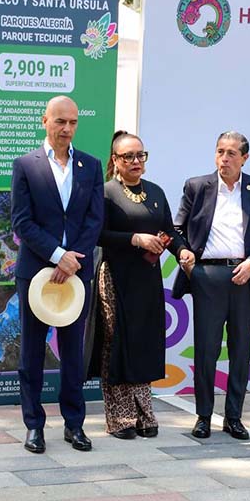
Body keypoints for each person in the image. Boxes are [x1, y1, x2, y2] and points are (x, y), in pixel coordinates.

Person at [11, 95, 104, 452]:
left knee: (73, 352)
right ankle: (33, 425)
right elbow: (22, 221)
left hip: (76, 273)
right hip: (37, 271)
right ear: (45, 120)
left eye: (73, 122)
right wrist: (57, 255)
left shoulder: (91, 165)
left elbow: (94, 219)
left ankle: (74, 424)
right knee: (32, 352)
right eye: (60, 121)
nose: (67, 129)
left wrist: (72, 259)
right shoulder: (25, 165)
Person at [173, 131, 250, 440]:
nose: (225, 158)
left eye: (232, 153)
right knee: (206, 350)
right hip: (207, 276)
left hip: (244, 276)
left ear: (245, 158)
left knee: (240, 350)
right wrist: (183, 253)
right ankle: (203, 416)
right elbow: (177, 229)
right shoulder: (197, 186)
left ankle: (234, 417)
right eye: (220, 151)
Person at [90, 131, 189, 439]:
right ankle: (120, 417)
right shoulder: (105, 193)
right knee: (118, 342)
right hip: (115, 277)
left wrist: (182, 251)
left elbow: (169, 231)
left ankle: (144, 413)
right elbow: (97, 235)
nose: (136, 161)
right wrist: (134, 239)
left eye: (140, 155)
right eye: (128, 156)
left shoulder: (155, 191)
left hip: (147, 279)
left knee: (144, 342)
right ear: (115, 160)